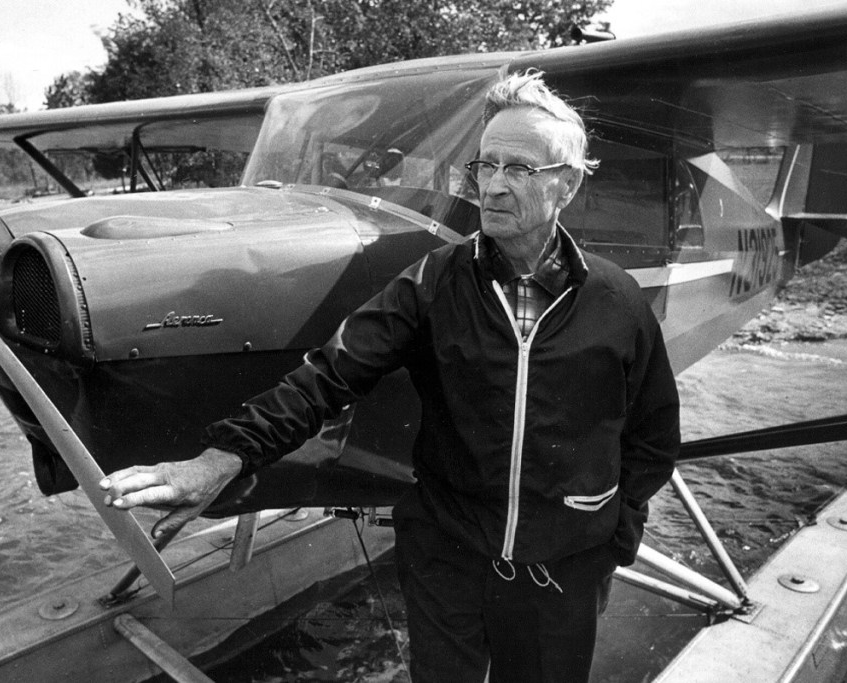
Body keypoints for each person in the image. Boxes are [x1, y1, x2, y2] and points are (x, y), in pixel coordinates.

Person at [101, 71, 680, 683]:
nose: (495, 187)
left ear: (565, 184)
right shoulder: (434, 281)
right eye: (486, 166)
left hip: (561, 572)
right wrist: (221, 459)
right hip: (447, 558)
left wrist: (604, 539)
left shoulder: (616, 300)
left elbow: (652, 437)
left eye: (520, 170)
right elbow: (330, 375)